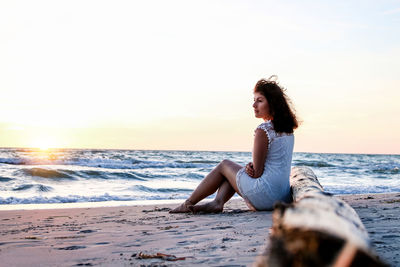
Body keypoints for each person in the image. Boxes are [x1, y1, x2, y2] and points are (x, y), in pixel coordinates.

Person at [170, 75, 298, 213]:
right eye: (254, 101)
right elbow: (272, 163)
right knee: (236, 172)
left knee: (224, 165)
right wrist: (250, 167)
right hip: (282, 198)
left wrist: (251, 168)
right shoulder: (288, 131)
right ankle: (217, 203)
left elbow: (257, 173)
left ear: (273, 104)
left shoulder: (264, 130)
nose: (254, 105)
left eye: (259, 101)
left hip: (265, 196)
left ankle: (188, 203)